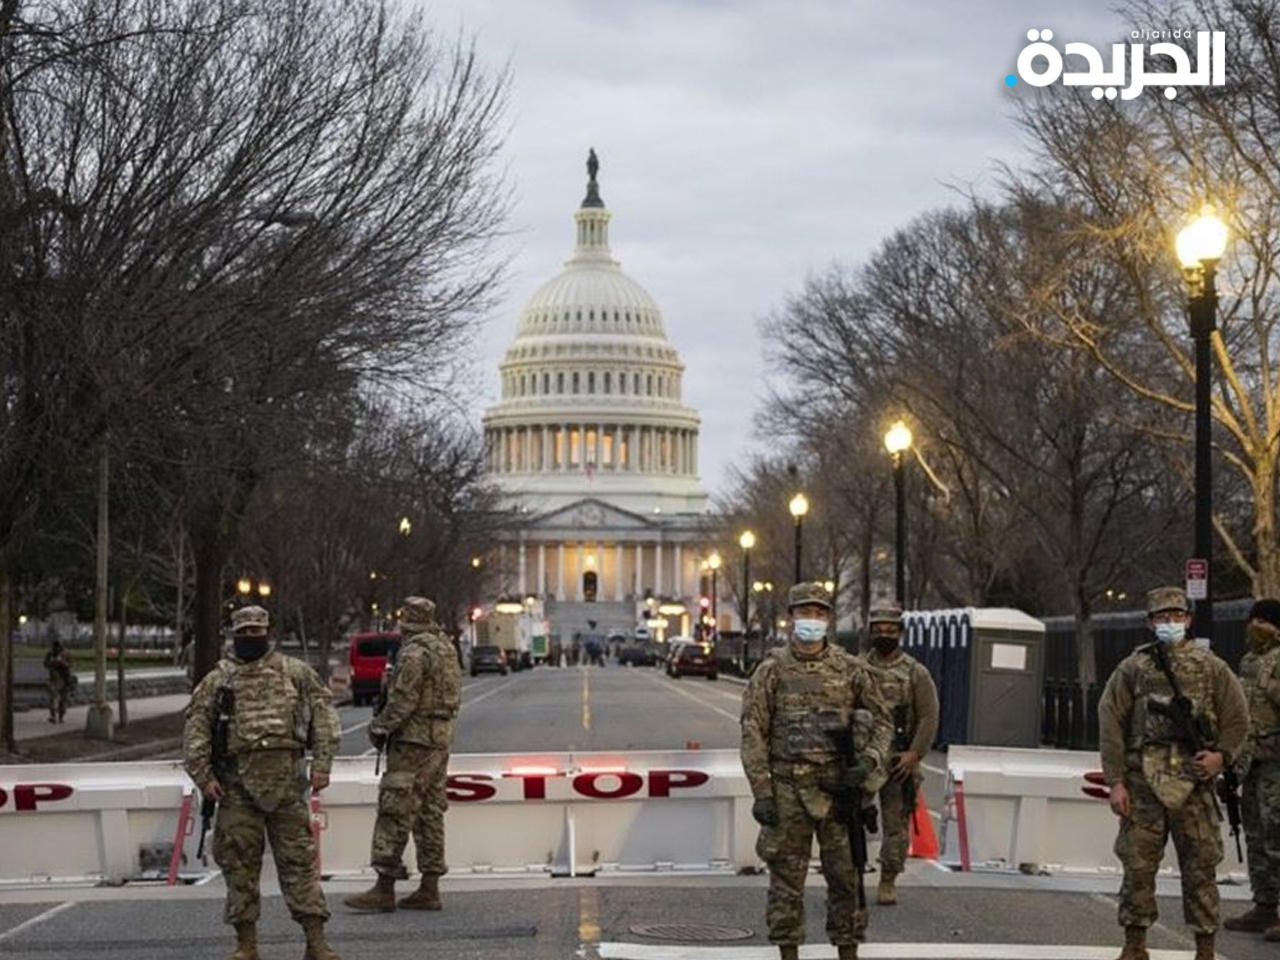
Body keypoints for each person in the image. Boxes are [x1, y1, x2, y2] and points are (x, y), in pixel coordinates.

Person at [740, 581, 893, 960]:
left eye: (820, 613)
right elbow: (753, 731)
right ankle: (788, 952)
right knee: (786, 881)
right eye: (805, 612)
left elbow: (883, 723)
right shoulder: (771, 671)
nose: (812, 619)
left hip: (838, 789)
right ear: (791, 617)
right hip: (788, 790)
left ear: (829, 618)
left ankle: (848, 950)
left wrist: (868, 765)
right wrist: (762, 791)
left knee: (846, 878)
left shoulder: (852, 670)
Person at [182, 605, 341, 960]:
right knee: (239, 867)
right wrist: (204, 777)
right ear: (234, 634)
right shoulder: (218, 680)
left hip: (287, 785)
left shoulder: (295, 673)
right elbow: (196, 730)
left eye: (257, 631)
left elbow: (324, 717)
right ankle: (246, 944)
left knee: (299, 863)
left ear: (267, 632)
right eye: (245, 632)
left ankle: (316, 942)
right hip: (237, 787)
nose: (251, 637)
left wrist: (323, 765)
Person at [1099, 586, 1249, 960]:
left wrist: (1220, 758)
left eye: (1177, 616)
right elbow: (1111, 722)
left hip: (1194, 785)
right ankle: (1134, 946)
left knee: (1200, 870)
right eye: (1163, 617)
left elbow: (1238, 719)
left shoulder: (1211, 667)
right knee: (1137, 867)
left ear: (1189, 619)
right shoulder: (1133, 668)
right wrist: (1116, 781)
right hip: (1142, 785)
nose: (1171, 623)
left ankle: (1205, 949)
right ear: (1150, 622)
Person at [344, 596, 460, 912]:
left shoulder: (414, 653)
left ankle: (384, 886)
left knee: (396, 808)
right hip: (439, 739)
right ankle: (430, 885)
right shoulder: (446, 649)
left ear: (407, 620)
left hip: (413, 741)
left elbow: (403, 701)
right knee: (430, 812)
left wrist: (379, 728)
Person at [860, 599, 938, 905]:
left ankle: (888, 879)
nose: (884, 634)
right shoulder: (858, 669)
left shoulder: (915, 673)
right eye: (879, 629)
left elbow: (928, 716)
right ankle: (850, 879)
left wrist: (915, 754)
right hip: (865, 759)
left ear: (900, 632)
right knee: (848, 820)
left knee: (896, 825)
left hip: (898, 760)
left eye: (890, 629)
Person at [1224, 598, 1280, 939]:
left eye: (1265, 621)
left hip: (1277, 764)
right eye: (1254, 619)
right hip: (1252, 764)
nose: (1257, 626)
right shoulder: (1248, 661)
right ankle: (1264, 905)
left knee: (1278, 836)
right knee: (1257, 836)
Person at [44, 640, 73, 723]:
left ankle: (61, 716)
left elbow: (70, 665)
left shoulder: (66, 654)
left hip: (64, 678)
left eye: (58, 647)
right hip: (54, 678)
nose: (56, 649)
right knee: (53, 697)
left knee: (63, 699)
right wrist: (52, 662)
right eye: (55, 647)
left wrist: (62, 662)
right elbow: (46, 664)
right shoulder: (50, 654)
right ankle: (53, 715)